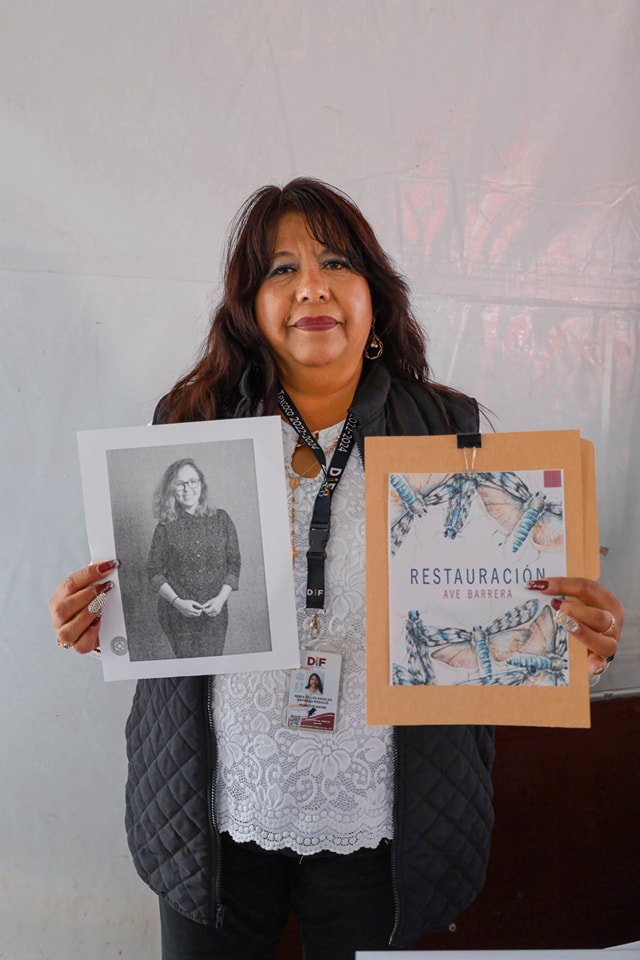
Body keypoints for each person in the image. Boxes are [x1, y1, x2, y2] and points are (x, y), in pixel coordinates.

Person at [48, 177, 624, 960]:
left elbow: (489, 613)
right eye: (279, 269)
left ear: (374, 296)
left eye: (335, 262)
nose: (310, 285)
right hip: (218, 810)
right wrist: (101, 617)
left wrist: (571, 640)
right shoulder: (190, 425)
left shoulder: (444, 430)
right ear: (249, 304)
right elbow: (154, 600)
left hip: (378, 820)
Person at [146, 458, 241, 659]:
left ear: (201, 484)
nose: (187, 488)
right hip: (177, 614)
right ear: (171, 489)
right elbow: (154, 572)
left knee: (213, 667)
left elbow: (234, 564)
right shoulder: (164, 527)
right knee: (190, 670)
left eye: (192, 481)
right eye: (180, 484)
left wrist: (221, 600)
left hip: (215, 612)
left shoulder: (222, 519)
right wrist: (177, 602)